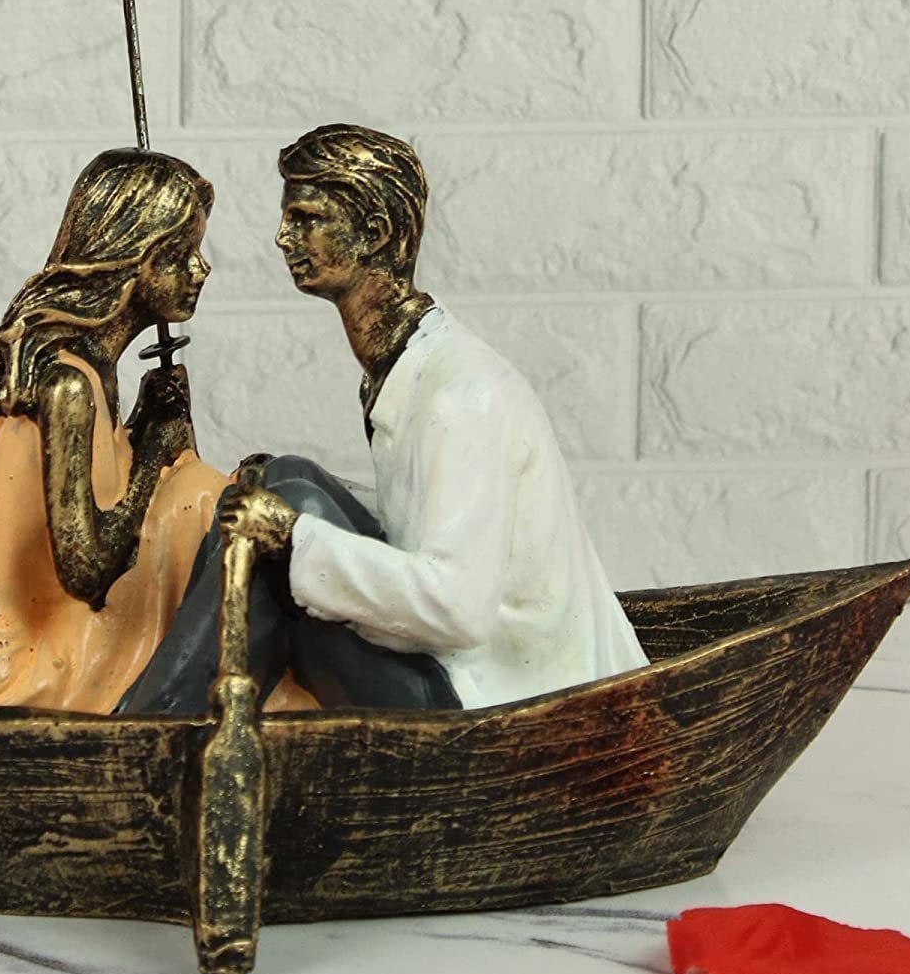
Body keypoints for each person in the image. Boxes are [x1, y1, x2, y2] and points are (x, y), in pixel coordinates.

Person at [117, 123, 648, 716]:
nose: (282, 237)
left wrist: (292, 535)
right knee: (286, 477)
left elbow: (457, 609)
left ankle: (149, 728)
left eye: (306, 219)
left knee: (284, 528)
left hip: (495, 697)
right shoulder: (405, 368)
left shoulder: (459, 398)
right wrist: (290, 508)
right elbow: (423, 520)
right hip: (476, 668)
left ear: (374, 234)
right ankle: (155, 714)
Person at [0, 148, 231, 713]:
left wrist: (149, 427)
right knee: (199, 495)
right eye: (179, 255)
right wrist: (155, 457)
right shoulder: (67, 384)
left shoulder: (91, 370)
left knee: (194, 491)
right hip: (5, 667)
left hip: (43, 635)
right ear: (129, 260)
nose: (199, 270)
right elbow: (87, 571)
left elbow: (98, 491)